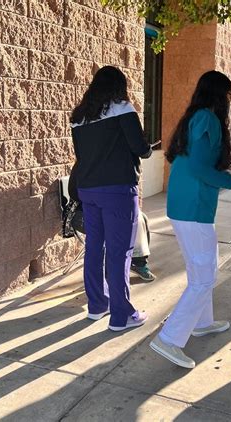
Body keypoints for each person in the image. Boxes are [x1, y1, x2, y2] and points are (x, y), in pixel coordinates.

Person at [150, 71, 231, 369]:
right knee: (204, 276)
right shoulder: (208, 120)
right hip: (194, 208)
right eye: (230, 95)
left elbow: (197, 167)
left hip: (186, 205)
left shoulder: (196, 117)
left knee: (201, 269)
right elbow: (202, 170)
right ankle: (169, 339)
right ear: (220, 94)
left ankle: (202, 322)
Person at [70, 66, 152, 331]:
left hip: (88, 189)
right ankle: (122, 316)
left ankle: (97, 305)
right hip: (117, 189)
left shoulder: (79, 116)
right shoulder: (122, 108)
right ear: (119, 86)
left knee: (95, 246)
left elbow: (82, 155)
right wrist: (147, 147)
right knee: (120, 252)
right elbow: (139, 148)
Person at [64, 167, 156, 282]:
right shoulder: (83, 165)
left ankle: (138, 262)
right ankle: (110, 270)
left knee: (140, 218)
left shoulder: (113, 166)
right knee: (114, 224)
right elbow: (74, 193)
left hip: (110, 211)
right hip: (82, 214)